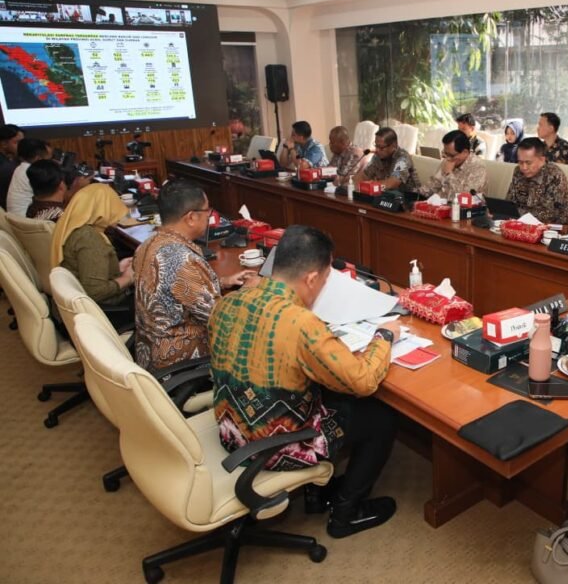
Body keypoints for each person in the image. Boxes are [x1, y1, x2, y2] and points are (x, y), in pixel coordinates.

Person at [210, 225, 400, 539]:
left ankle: (316, 495)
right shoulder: (301, 324)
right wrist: (384, 337)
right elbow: (363, 380)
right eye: (325, 281)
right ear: (311, 278)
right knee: (380, 417)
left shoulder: (227, 302)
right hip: (271, 446)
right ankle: (345, 514)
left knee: (329, 395)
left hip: (231, 430)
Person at [132, 179, 257, 371]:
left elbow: (175, 291)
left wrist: (222, 282)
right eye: (207, 211)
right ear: (191, 217)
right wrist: (248, 291)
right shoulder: (181, 261)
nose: (209, 216)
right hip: (180, 362)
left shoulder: (147, 245)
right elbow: (222, 318)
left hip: (150, 352)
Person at [51, 184, 134, 328]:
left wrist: (117, 268)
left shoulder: (75, 228)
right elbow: (96, 291)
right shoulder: (89, 239)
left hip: (77, 310)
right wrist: (128, 278)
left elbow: (88, 268)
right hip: (103, 313)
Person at [505, 137, 568, 224]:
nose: (524, 167)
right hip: (522, 222)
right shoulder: (518, 171)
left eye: (528, 163)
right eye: (520, 162)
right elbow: (509, 202)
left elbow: (551, 213)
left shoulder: (554, 175)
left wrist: (518, 213)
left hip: (553, 225)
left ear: (542, 160)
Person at [357, 127, 422, 192]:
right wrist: (356, 186)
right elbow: (364, 176)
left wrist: (370, 185)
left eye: (381, 147)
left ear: (393, 145)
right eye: (376, 146)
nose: (377, 150)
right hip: (388, 195)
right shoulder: (378, 156)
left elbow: (392, 183)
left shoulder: (403, 158)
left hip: (410, 195)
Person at [427, 130, 487, 199]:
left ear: (465, 152)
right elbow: (433, 186)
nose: (447, 158)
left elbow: (465, 198)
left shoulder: (478, 167)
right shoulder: (448, 159)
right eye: (445, 153)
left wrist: (448, 174)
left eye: (451, 155)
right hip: (439, 203)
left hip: (463, 205)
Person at [6, 137, 51, 216]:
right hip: (26, 220)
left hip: (15, 218)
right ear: (38, 158)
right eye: (47, 160)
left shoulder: (20, 168)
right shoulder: (32, 172)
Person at [0, 124, 24, 210]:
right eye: (17, 142)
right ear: (4, 144)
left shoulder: (12, 160)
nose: (22, 147)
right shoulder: (6, 167)